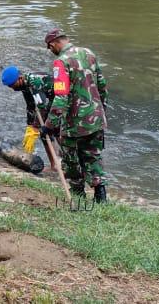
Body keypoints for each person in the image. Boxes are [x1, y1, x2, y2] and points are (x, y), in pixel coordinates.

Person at [44, 28, 109, 203]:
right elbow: (102, 86)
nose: (50, 50)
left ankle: (78, 195)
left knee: (71, 159)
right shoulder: (88, 53)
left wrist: (49, 125)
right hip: (96, 118)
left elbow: (61, 97)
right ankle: (101, 195)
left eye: (50, 47)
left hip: (74, 123)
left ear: (55, 43)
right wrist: (102, 111)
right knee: (93, 156)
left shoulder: (61, 62)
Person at [0, 66, 53, 154]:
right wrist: (30, 125)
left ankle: (60, 158)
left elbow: (42, 107)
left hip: (62, 97)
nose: (12, 88)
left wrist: (35, 127)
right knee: (42, 132)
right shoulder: (23, 85)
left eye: (13, 85)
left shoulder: (34, 83)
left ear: (20, 78)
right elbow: (30, 105)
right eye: (9, 86)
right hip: (51, 99)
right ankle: (52, 160)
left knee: (49, 130)